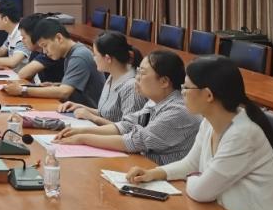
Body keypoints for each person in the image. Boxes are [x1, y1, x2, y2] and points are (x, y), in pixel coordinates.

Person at [127, 56, 273, 210]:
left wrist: (194, 177)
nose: (182, 92)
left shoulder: (243, 134)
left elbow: (201, 192)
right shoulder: (209, 122)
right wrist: (154, 173)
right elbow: (190, 164)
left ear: (208, 95)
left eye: (186, 88)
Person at [56, 50, 200, 164]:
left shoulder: (178, 111)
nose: (137, 78)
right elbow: (125, 126)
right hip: (145, 167)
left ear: (164, 82)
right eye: (138, 71)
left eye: (142, 73)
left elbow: (133, 142)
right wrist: (80, 131)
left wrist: (83, 139)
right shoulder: (155, 101)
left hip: (168, 179)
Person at [2, 18, 104, 107]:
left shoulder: (79, 55)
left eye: (45, 45)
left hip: (87, 115)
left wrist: (22, 90)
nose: (45, 52)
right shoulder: (71, 53)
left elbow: (64, 92)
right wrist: (56, 85)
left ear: (59, 38)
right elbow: (74, 86)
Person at [59, 31, 146, 125]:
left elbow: (130, 128)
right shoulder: (112, 76)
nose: (94, 58)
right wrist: (80, 107)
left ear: (108, 58)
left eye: (96, 55)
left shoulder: (132, 87)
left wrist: (92, 117)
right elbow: (105, 114)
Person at [0, 13, 65, 88]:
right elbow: (28, 77)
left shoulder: (50, 53)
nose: (22, 40)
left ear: (35, 36)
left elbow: (23, 73)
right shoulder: (35, 52)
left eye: (24, 37)